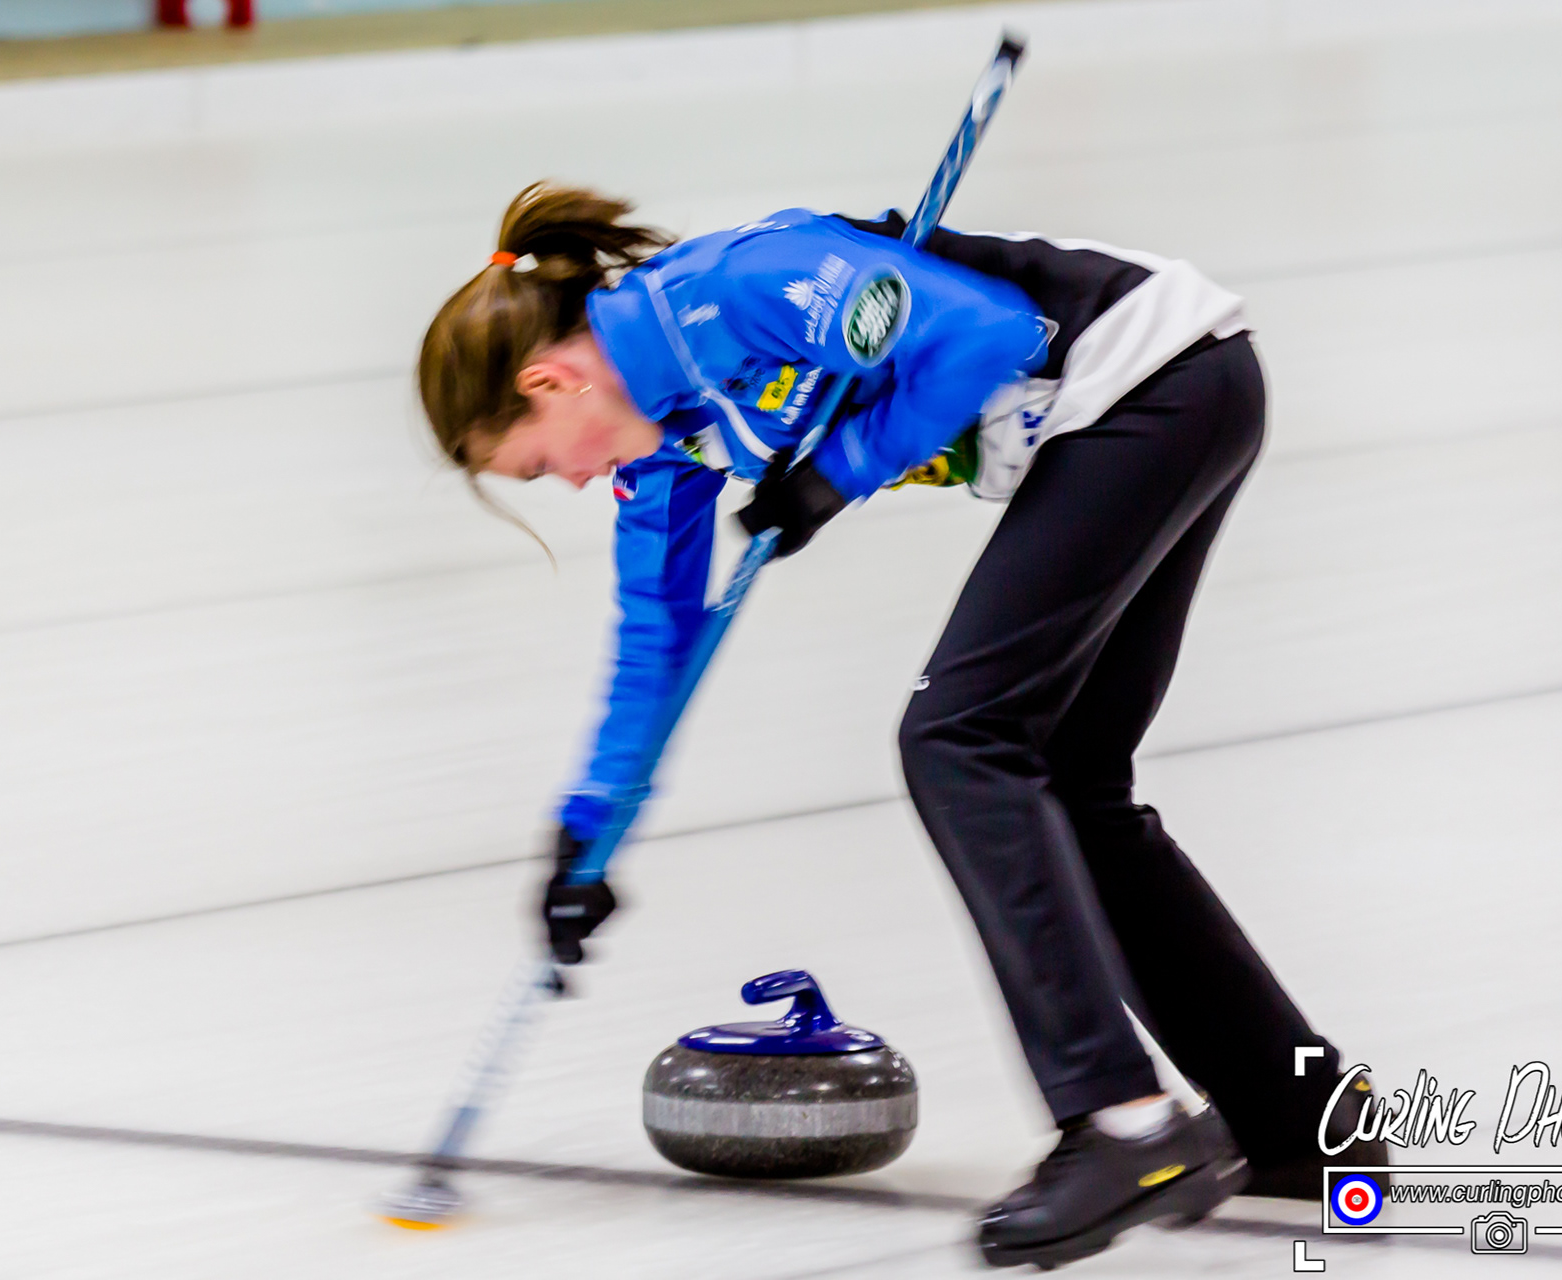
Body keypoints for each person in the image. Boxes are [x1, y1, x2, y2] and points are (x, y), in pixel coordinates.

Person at [417, 182, 1387, 1268]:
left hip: (1150, 380)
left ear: (546, 380)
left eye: (545, 459)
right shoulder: (663, 446)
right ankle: (1300, 1120)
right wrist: (589, 830)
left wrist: (832, 475)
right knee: (1070, 777)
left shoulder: (737, 289)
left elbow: (989, 333)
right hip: (1163, 396)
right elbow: (656, 643)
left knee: (957, 739)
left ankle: (1122, 1122)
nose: (577, 477)